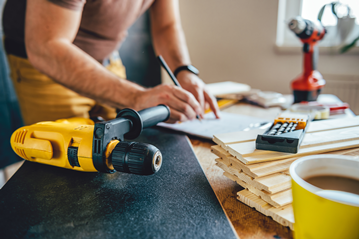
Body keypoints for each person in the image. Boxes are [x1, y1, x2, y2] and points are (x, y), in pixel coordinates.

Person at [2, 0, 220, 125]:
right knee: (67, 176)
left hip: (108, 58)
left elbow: (167, 25)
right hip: (49, 65)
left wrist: (184, 71)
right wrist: (136, 97)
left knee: (116, 154)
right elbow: (46, 47)